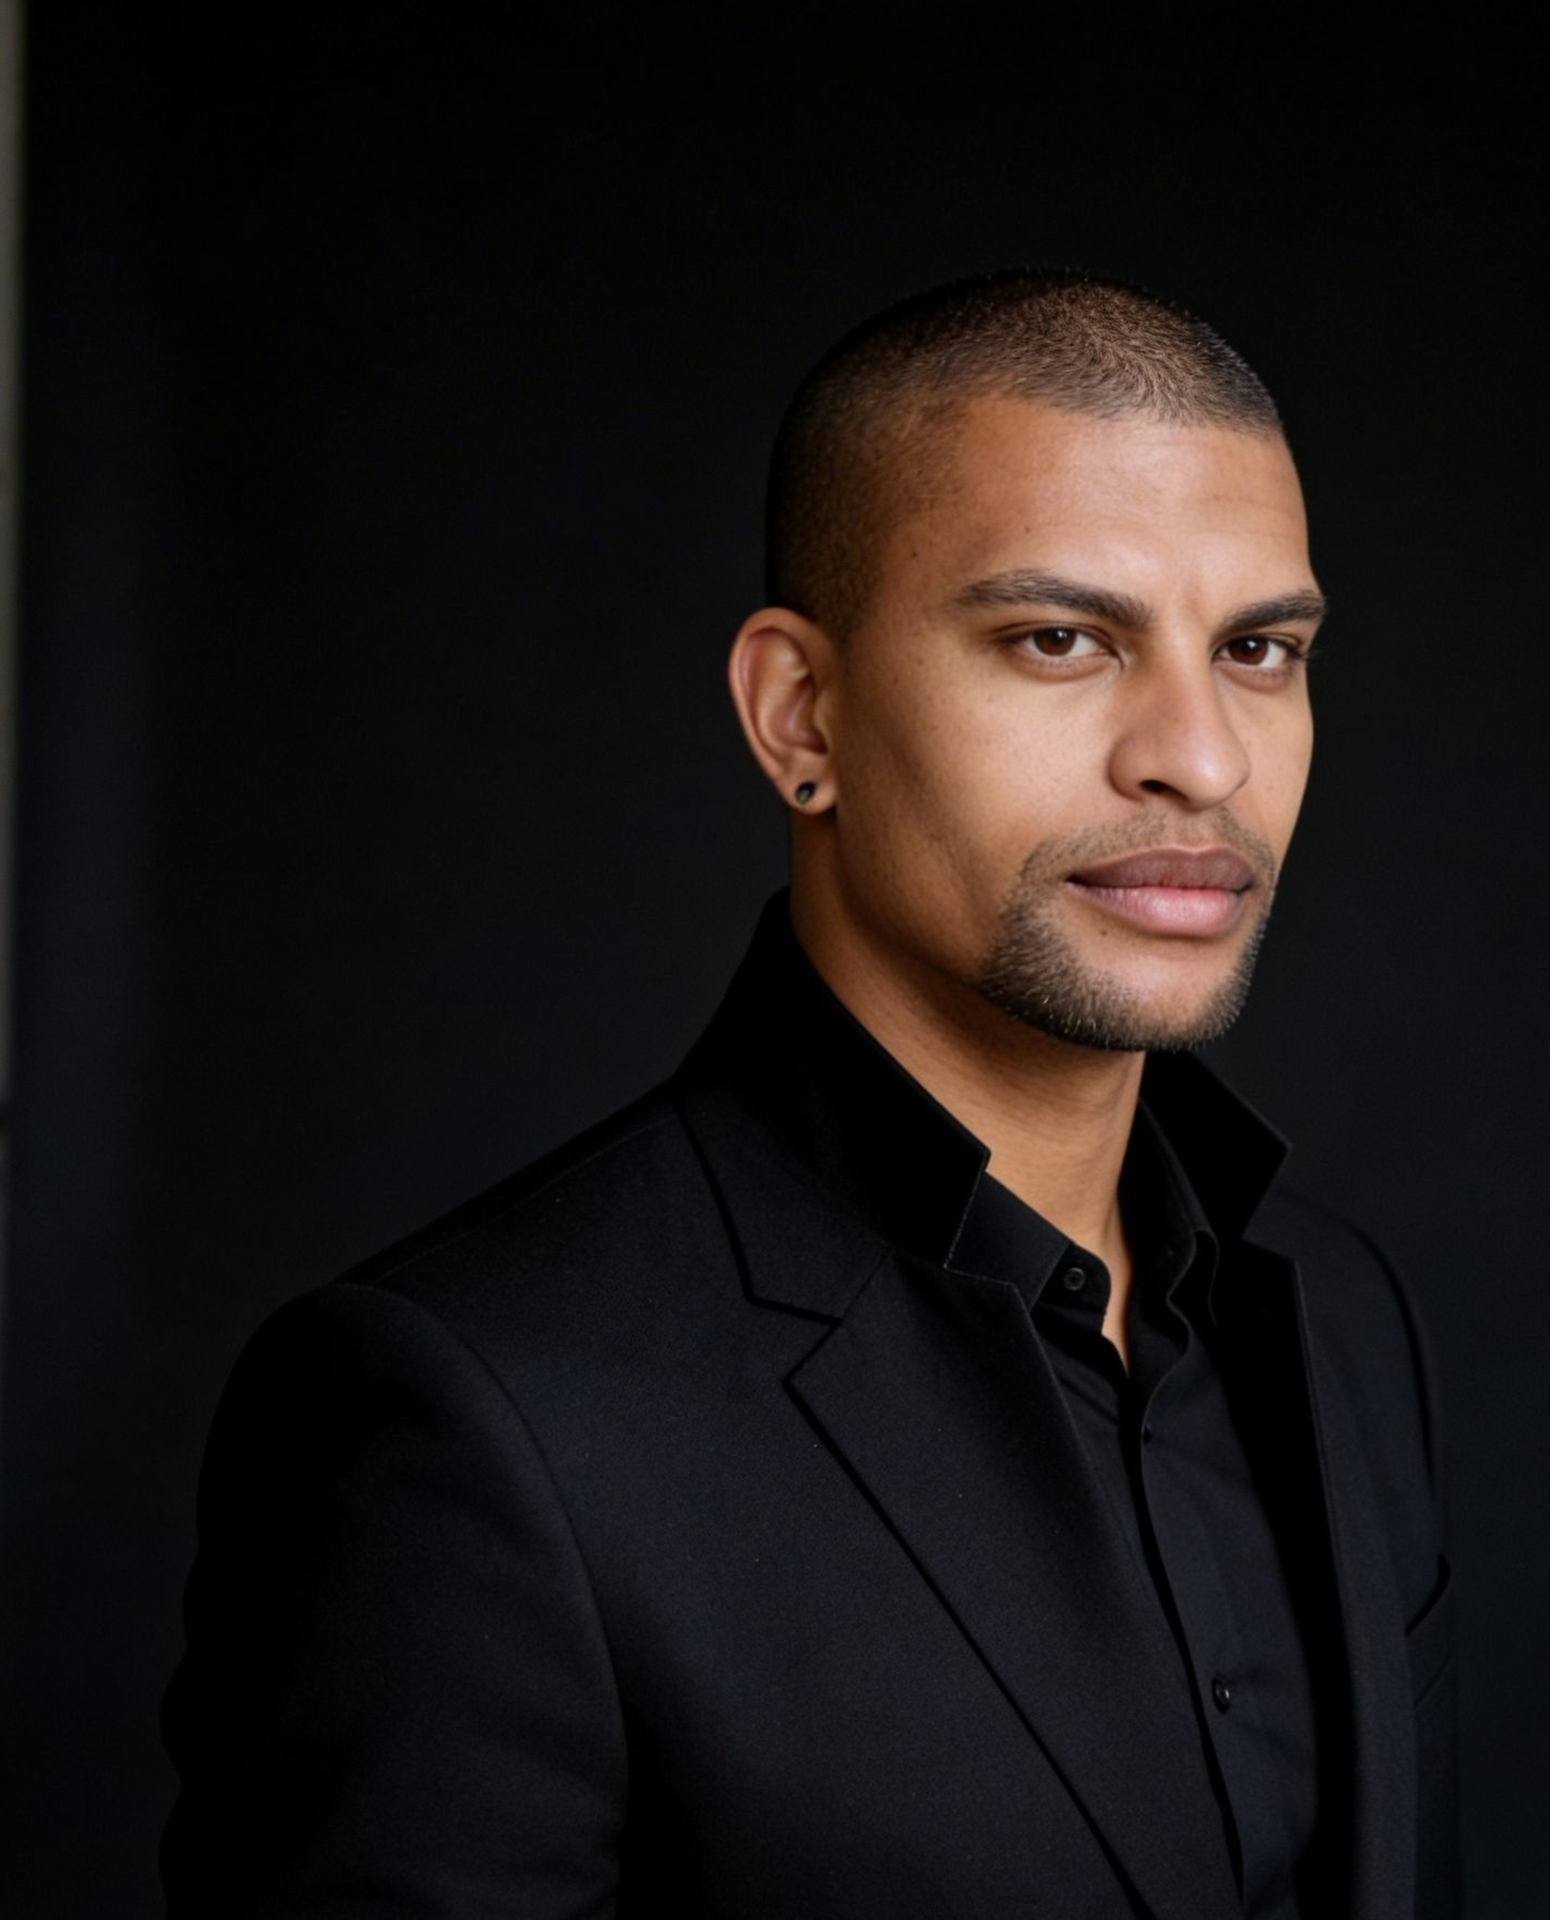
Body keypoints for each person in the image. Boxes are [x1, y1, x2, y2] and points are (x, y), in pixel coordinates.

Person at [161, 270, 1458, 1919]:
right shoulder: (473, 1419)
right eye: (1061, 639)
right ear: (802, 714)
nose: (1200, 757)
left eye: (1260, 648)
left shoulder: (1339, 1322)